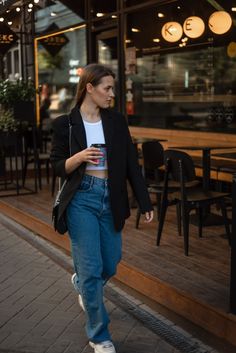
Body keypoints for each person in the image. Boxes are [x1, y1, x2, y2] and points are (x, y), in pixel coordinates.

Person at [50, 63, 153, 353]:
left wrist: (144, 201)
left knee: (110, 261)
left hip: (112, 197)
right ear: (90, 88)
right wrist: (80, 157)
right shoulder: (65, 124)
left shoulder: (117, 121)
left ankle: (82, 282)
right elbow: (58, 165)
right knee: (93, 269)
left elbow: (132, 162)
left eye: (113, 88)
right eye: (107, 88)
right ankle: (100, 336)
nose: (111, 94)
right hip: (81, 198)